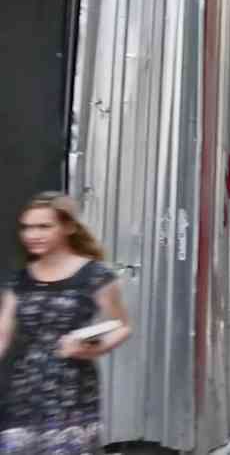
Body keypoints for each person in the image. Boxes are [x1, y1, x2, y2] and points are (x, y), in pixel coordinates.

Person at [0, 192, 132, 454]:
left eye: (43, 226)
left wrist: (93, 349)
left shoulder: (94, 275)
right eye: (27, 227)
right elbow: (2, 335)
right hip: (24, 389)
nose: (32, 235)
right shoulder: (19, 280)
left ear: (68, 227)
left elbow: (122, 325)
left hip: (74, 389)